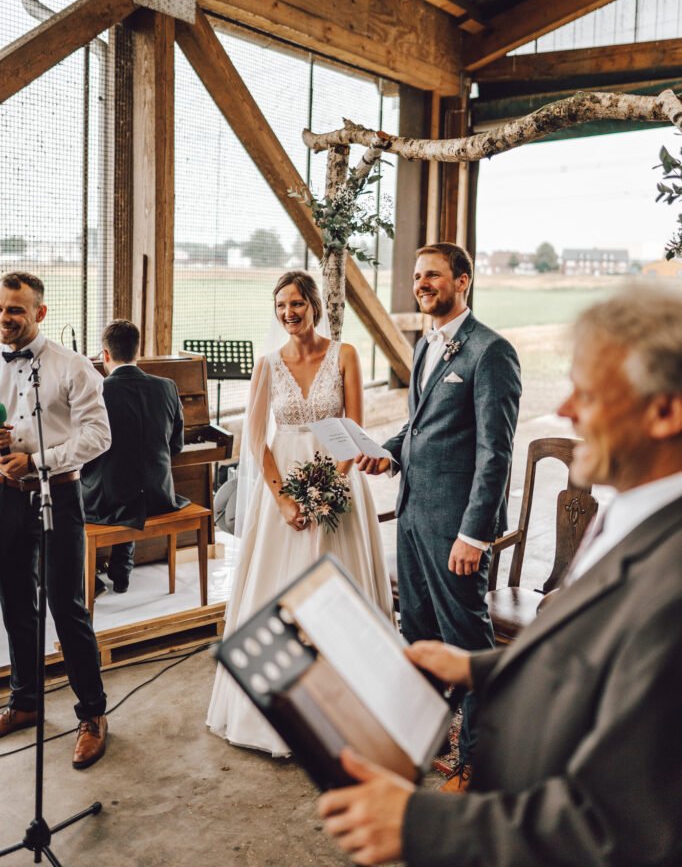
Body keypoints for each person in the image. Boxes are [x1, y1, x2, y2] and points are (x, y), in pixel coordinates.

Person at [319, 283, 682, 867]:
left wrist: (419, 824)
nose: (566, 410)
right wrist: (476, 667)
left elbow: (619, 829)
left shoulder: (672, 586)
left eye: (588, 392)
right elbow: (595, 657)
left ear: (665, 412)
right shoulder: (629, 512)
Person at [207, 270, 394, 755]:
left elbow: (355, 429)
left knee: (339, 592)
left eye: (296, 303)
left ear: (314, 305)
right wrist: (284, 498)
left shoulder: (345, 355)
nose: (288, 313)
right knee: (279, 592)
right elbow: (256, 439)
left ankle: (348, 713)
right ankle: (277, 715)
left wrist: (328, 488)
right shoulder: (268, 365)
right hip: (284, 487)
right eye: (281, 306)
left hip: (339, 481)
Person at [357, 242, 521, 766]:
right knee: (419, 633)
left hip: (455, 529)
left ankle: (478, 760)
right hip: (412, 517)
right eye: (416, 276)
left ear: (462, 281)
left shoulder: (490, 352)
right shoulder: (425, 347)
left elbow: (495, 453)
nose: (421, 284)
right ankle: (424, 740)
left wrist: (474, 534)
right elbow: (421, 425)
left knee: (466, 643)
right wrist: (388, 454)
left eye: (432, 275)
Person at [0, 271, 111, 768]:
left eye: (15, 309)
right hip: (5, 498)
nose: (4, 318)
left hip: (59, 496)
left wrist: (37, 460)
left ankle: (93, 714)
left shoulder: (72, 367)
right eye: (0, 308)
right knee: (14, 603)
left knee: (66, 606)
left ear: (39, 313)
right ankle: (25, 701)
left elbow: (99, 436)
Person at [81, 319, 189, 593]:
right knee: (131, 480)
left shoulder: (97, 391)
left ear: (105, 354)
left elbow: (84, 453)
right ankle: (121, 572)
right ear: (137, 351)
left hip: (110, 501)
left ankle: (88, 580)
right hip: (158, 496)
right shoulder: (167, 387)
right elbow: (176, 446)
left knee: (69, 497)